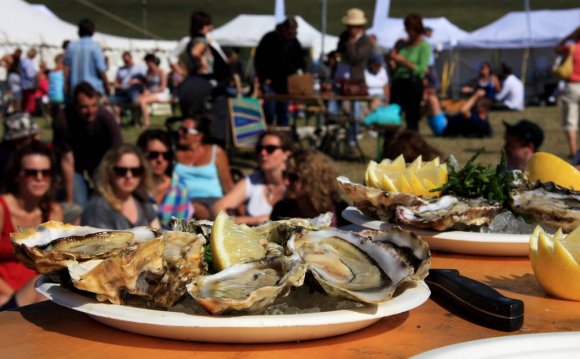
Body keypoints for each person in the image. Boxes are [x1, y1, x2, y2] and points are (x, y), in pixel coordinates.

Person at [0, 142, 63, 310]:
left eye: (46, 173)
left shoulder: (53, 212)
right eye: (31, 173)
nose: (40, 178)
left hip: (38, 292)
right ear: (17, 175)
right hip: (5, 295)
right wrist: (10, 293)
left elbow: (56, 262)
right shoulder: (2, 208)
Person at [53, 82, 122, 207]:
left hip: (101, 161)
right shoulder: (63, 119)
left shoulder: (107, 119)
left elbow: (119, 154)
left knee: (106, 202)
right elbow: (66, 161)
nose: (90, 111)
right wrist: (70, 200)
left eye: (94, 105)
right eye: (84, 107)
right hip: (74, 163)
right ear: (74, 105)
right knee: (79, 204)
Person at [212, 131, 292, 225]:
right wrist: (255, 220)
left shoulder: (295, 183)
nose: (263, 153)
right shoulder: (253, 180)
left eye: (270, 149)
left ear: (286, 154)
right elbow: (217, 209)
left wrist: (238, 220)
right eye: (259, 149)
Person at [81, 144, 159, 230]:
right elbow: (101, 242)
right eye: (121, 171)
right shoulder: (98, 207)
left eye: (135, 171)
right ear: (109, 172)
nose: (129, 176)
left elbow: (160, 237)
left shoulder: (143, 202)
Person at [174, 116, 234, 220]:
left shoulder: (216, 152)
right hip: (185, 200)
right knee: (196, 208)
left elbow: (227, 184)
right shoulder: (174, 154)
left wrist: (241, 211)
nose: (180, 132)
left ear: (199, 136)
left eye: (185, 131)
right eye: (180, 129)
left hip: (214, 200)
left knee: (216, 211)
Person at [271, 149, 347, 226]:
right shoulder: (281, 211)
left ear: (313, 179)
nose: (286, 182)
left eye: (293, 177)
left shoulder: (342, 212)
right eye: (284, 174)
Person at [136, 129, 193, 229]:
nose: (160, 160)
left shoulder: (180, 188)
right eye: (154, 155)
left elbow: (181, 231)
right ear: (142, 155)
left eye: (166, 156)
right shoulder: (133, 185)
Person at [255, 17, 305, 126]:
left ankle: (283, 136)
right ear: (284, 29)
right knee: (269, 111)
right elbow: (260, 59)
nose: (291, 35)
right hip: (270, 82)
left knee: (284, 112)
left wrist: (299, 73)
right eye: (290, 32)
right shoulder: (270, 39)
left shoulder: (294, 42)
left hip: (286, 83)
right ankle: (268, 134)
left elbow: (300, 61)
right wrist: (264, 77)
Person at [337, 8, 374, 148]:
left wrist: (350, 44)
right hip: (341, 78)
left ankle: (352, 139)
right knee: (338, 110)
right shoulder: (343, 37)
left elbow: (355, 58)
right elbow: (339, 52)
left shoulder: (366, 41)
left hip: (356, 82)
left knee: (354, 112)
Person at [389, 13, 431, 132]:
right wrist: (393, 62)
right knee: (392, 116)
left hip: (413, 84)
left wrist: (403, 61)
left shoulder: (424, 46)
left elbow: (420, 69)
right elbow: (394, 67)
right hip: (398, 83)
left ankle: (412, 148)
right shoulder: (402, 45)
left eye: (411, 30)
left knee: (411, 119)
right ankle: (390, 147)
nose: (408, 33)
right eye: (407, 29)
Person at [176, 11, 215, 118]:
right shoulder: (201, 41)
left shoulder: (191, 41)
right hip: (204, 79)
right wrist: (202, 62)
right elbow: (195, 53)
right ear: (203, 27)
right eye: (208, 24)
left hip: (193, 79)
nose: (211, 26)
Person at [63, 19, 109, 96]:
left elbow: (66, 69)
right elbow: (101, 69)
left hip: (75, 87)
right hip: (93, 88)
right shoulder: (95, 46)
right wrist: (107, 85)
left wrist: (65, 84)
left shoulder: (71, 46)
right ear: (92, 31)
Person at [555, 26, 580, 159]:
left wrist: (569, 37)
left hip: (572, 85)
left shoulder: (572, 48)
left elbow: (557, 48)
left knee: (570, 121)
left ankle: (574, 151)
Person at [425, 89, 493, 138]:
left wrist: (476, 96)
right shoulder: (478, 117)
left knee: (432, 99)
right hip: (444, 121)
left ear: (482, 109)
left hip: (443, 127)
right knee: (426, 101)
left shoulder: (480, 122)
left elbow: (463, 111)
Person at [109, 51, 146, 121]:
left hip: (135, 89)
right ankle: (118, 121)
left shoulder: (140, 67)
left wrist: (137, 81)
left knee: (135, 98)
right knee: (112, 101)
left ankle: (136, 119)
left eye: (128, 60)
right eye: (125, 61)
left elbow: (145, 81)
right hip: (123, 90)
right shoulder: (121, 69)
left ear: (131, 58)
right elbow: (117, 81)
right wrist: (117, 85)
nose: (127, 62)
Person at [136, 54, 170, 128]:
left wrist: (150, 92)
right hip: (151, 93)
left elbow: (163, 87)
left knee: (142, 101)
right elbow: (145, 84)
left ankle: (146, 123)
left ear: (152, 61)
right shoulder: (148, 72)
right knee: (138, 99)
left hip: (161, 93)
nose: (146, 64)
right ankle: (137, 121)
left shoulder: (162, 72)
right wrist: (145, 91)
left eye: (147, 62)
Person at [19, 48, 37, 114]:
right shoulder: (27, 62)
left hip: (25, 84)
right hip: (28, 84)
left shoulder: (24, 61)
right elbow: (30, 74)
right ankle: (27, 113)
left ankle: (25, 112)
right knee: (29, 99)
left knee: (25, 99)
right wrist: (36, 75)